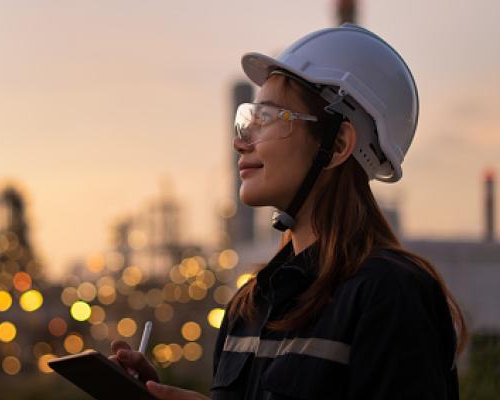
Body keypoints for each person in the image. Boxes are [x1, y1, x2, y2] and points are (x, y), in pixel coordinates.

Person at [109, 23, 467, 399]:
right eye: (249, 118)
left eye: (266, 119)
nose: (240, 141)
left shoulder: (389, 293)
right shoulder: (250, 305)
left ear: (339, 143)